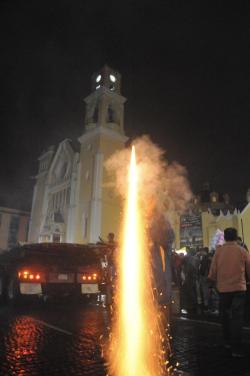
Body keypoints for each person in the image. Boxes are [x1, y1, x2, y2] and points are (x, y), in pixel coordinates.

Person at [208, 227, 250, 357]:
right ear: (236, 236)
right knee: (237, 318)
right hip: (239, 289)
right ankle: (236, 348)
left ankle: (226, 341)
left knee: (225, 316)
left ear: (225, 237)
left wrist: (212, 282)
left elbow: (213, 271)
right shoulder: (242, 251)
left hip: (223, 290)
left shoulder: (218, 252)